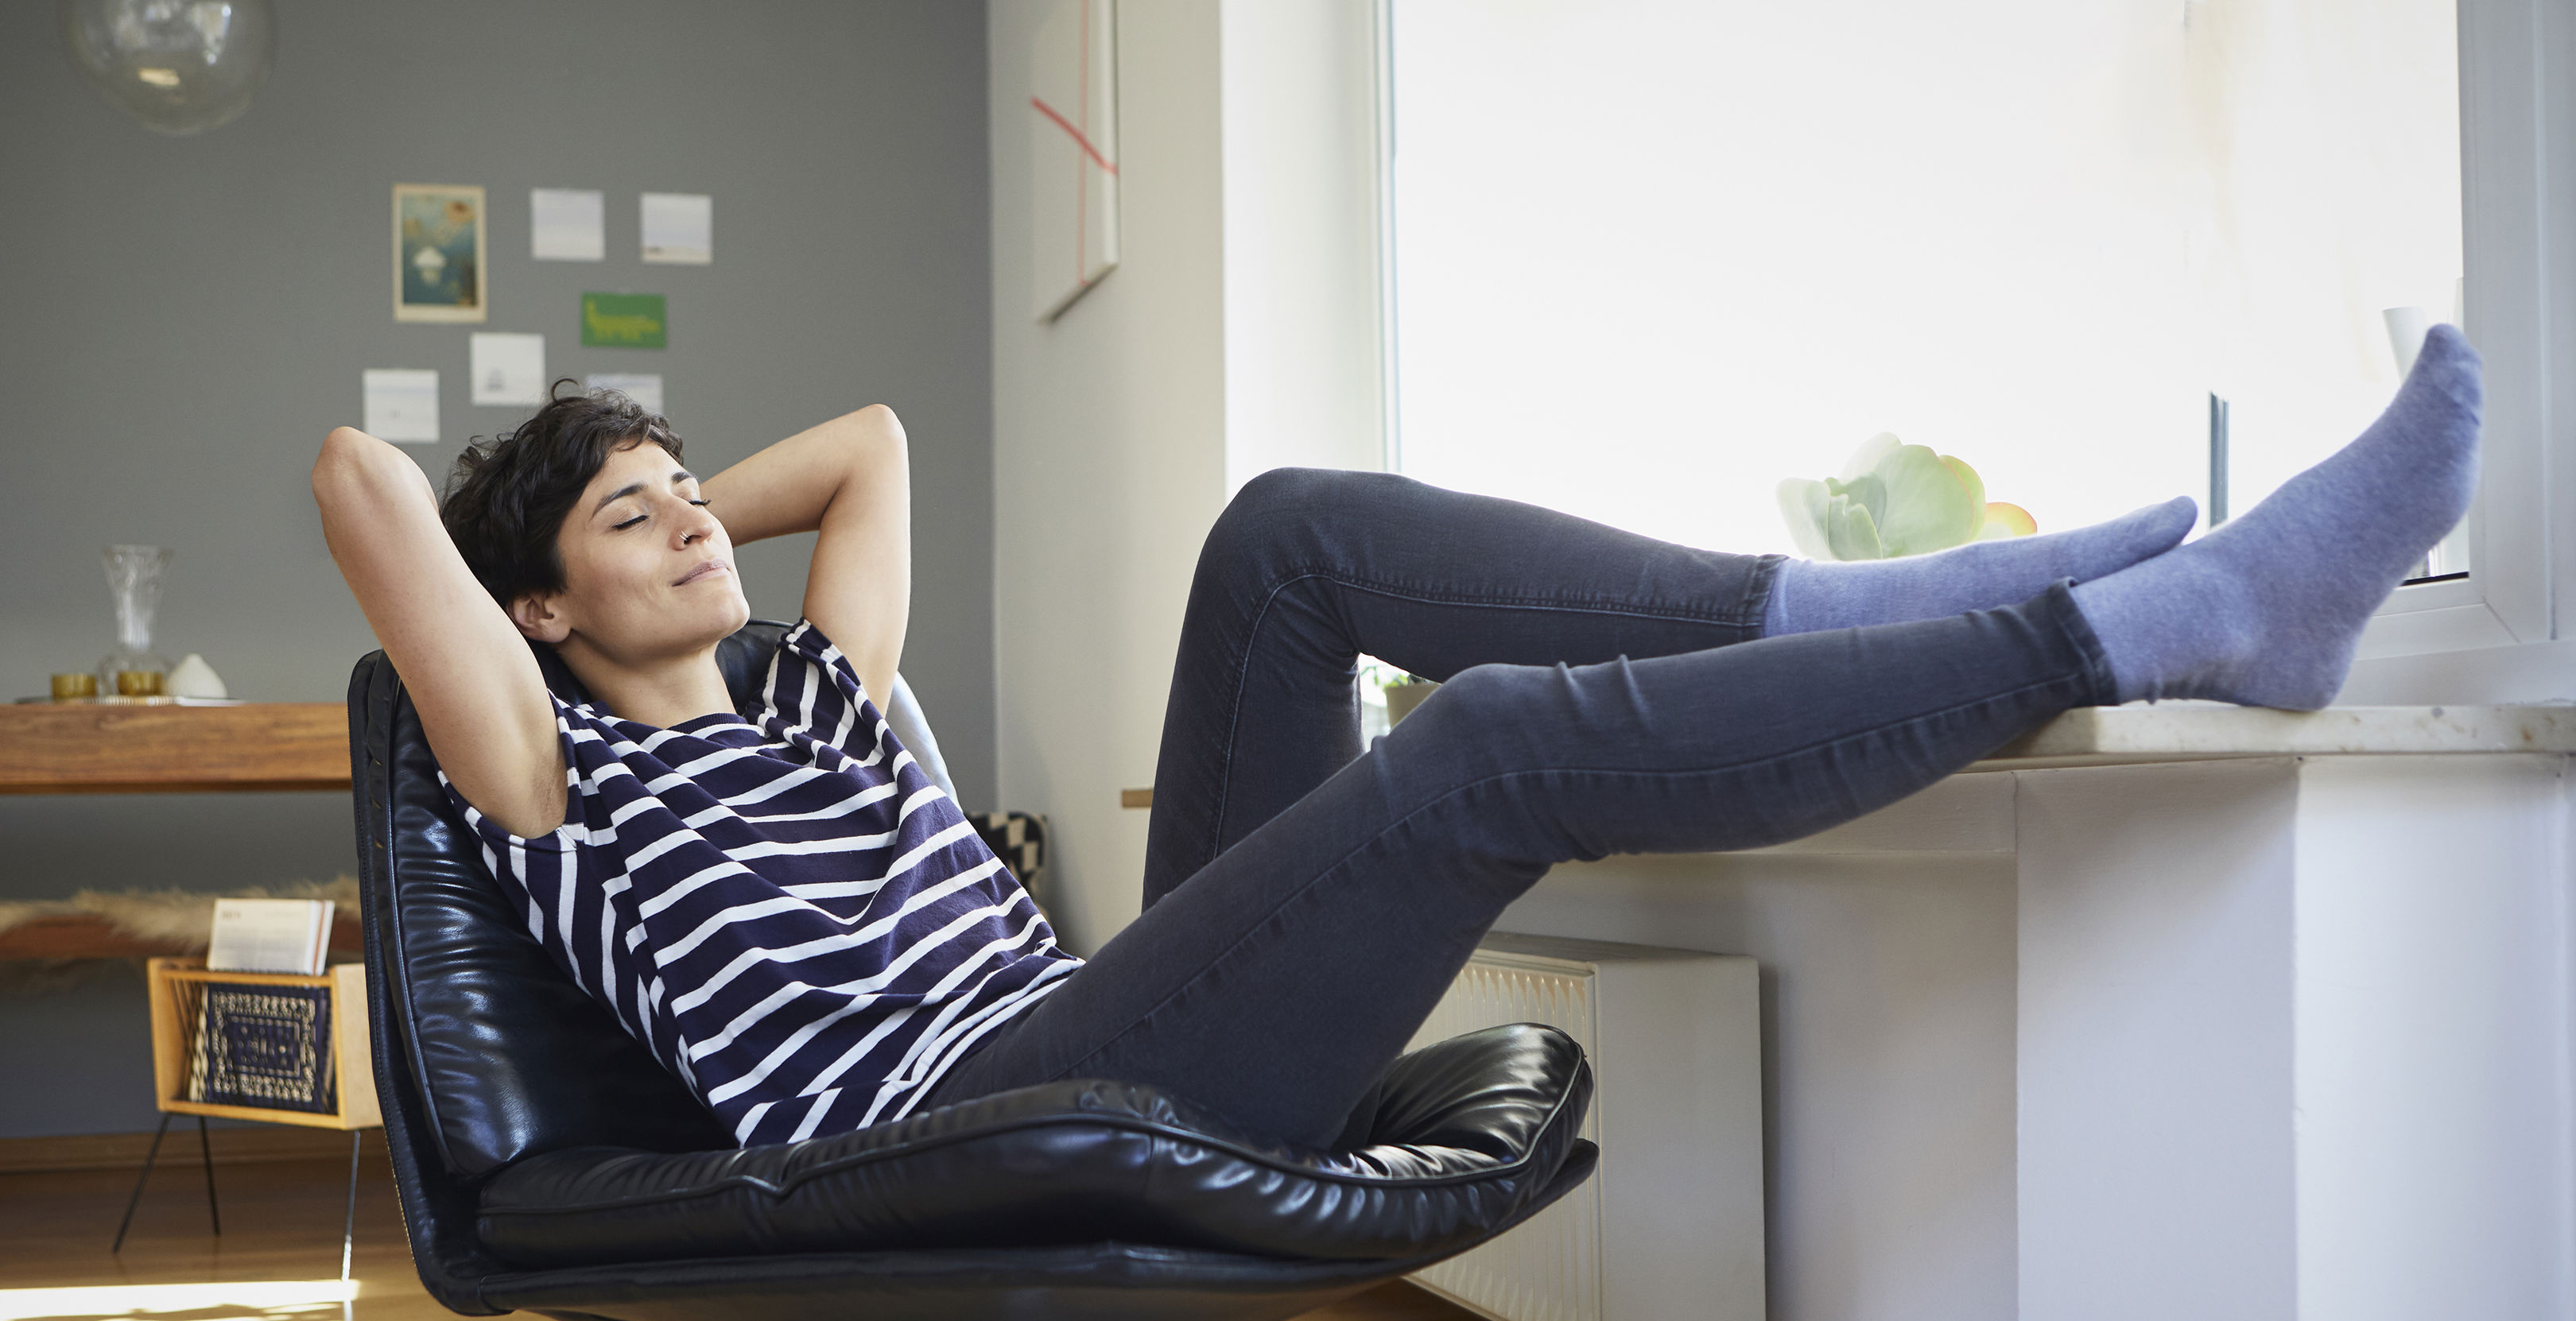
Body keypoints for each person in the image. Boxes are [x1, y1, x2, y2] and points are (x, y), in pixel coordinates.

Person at [312, 328, 2482, 1156]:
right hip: (951, 1123)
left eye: (701, 489)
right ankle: (2157, 628)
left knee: (1281, 540)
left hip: (1106, 1019)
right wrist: (563, 497)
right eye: (636, 519)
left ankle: (1903, 599)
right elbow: (357, 480)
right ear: (529, 618)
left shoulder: (824, 688)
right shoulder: (551, 778)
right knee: (1488, 750)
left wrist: (656, 497)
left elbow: (872, 442)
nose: (700, 515)